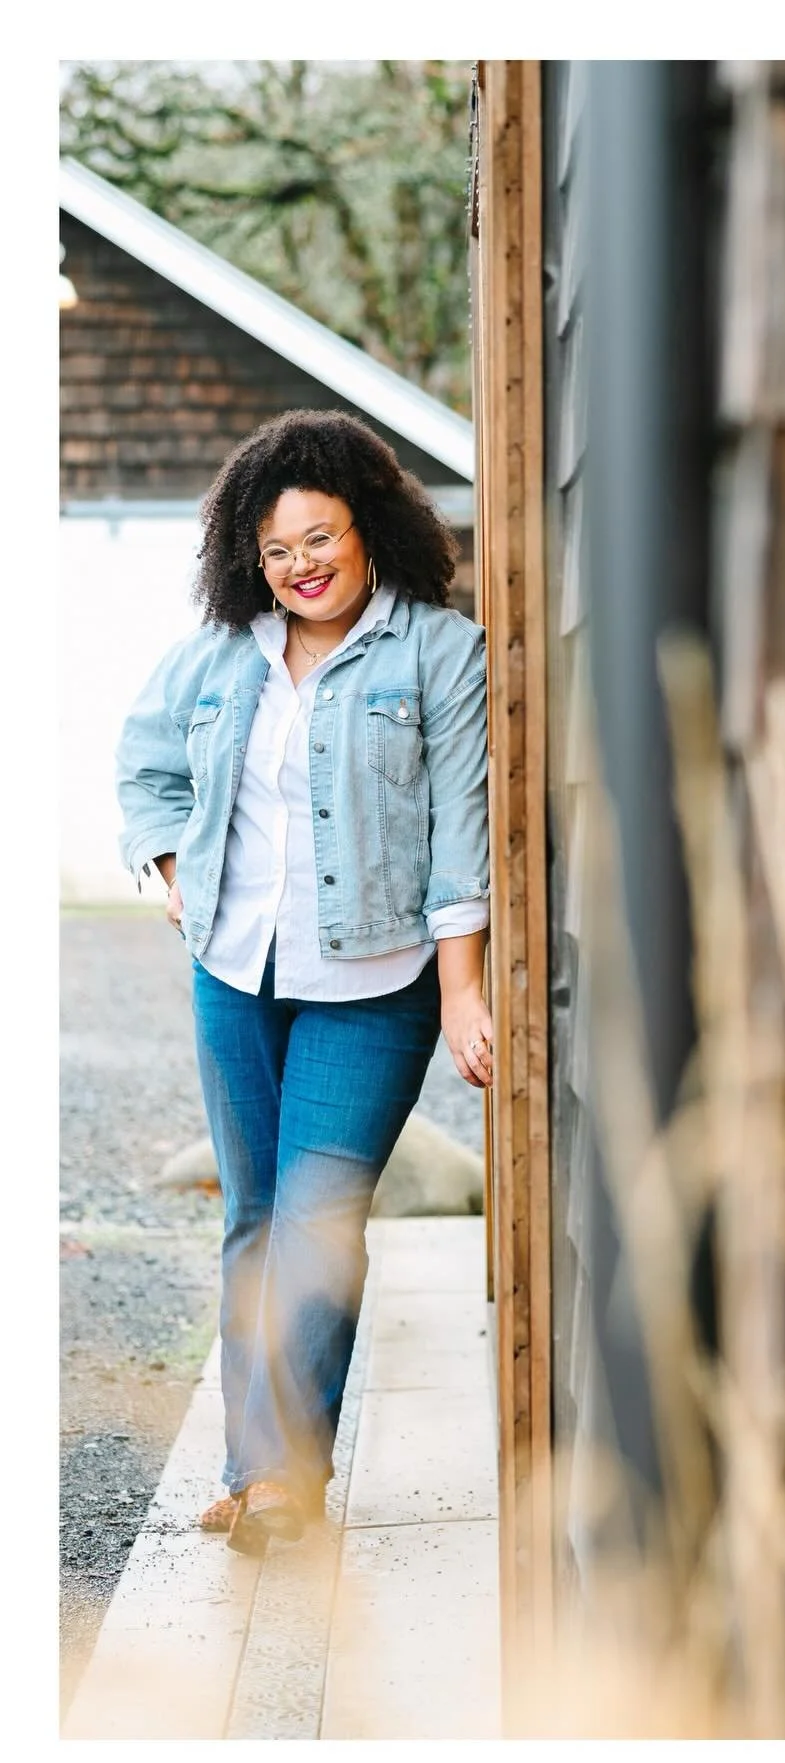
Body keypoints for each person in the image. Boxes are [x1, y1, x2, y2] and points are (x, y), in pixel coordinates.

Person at [116, 410, 493, 1556]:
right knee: (255, 1219)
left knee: (317, 1223)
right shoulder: (222, 652)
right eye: (277, 552)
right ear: (250, 556)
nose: (301, 568)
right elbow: (147, 760)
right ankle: (251, 1468)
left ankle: (290, 1477)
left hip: (373, 986)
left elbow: (462, 838)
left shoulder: (438, 651)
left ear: (369, 528)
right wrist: (176, 865)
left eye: (319, 540)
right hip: (235, 969)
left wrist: (464, 990)